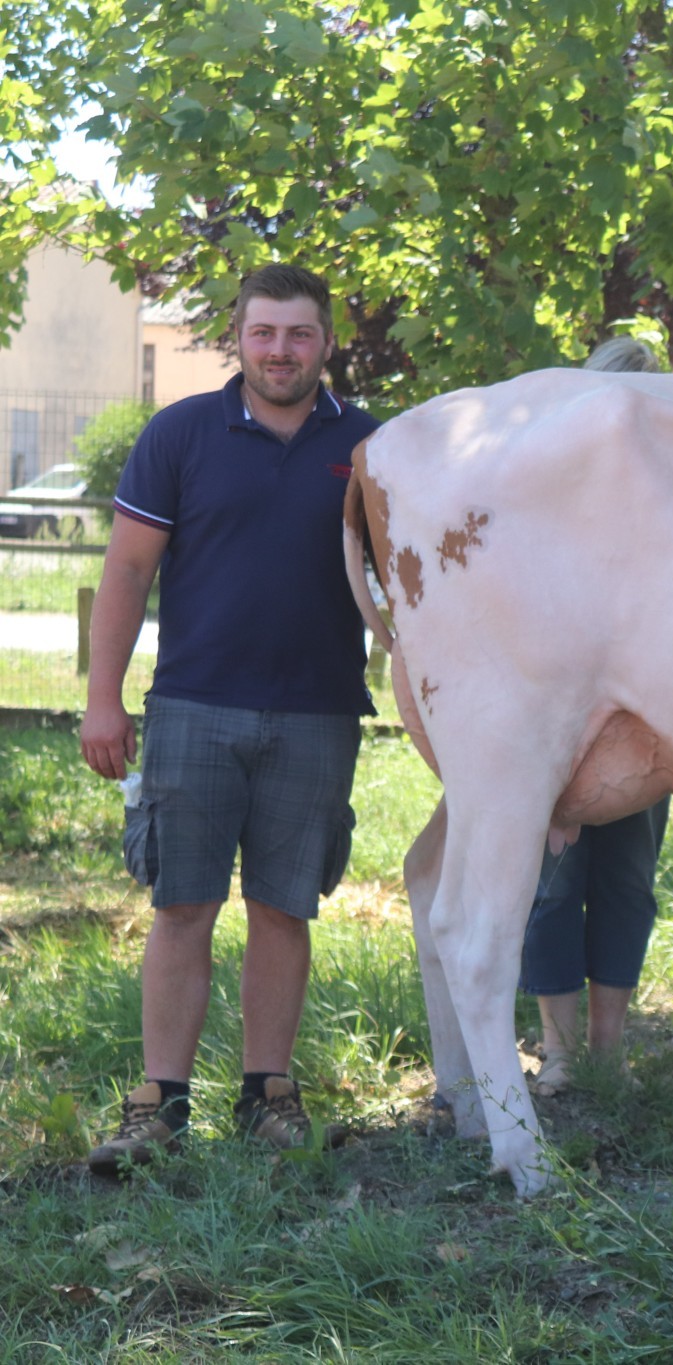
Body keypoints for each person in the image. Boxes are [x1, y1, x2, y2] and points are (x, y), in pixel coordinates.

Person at [79, 264, 379, 1175]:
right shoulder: (180, 434)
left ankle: (269, 1097)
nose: (280, 351)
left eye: (298, 334)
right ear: (238, 339)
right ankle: (158, 1105)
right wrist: (104, 698)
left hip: (320, 712)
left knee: (285, 910)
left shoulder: (371, 446)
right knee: (182, 907)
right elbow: (127, 572)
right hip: (193, 706)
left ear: (327, 341)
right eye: (263, 333)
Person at [522, 335, 673, 1094]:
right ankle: (558, 1052)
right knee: (552, 885)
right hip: (557, 727)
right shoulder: (549, 502)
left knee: (628, 884)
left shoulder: (672, 506)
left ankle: (611, 1054)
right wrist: (557, 776)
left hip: (648, 729)